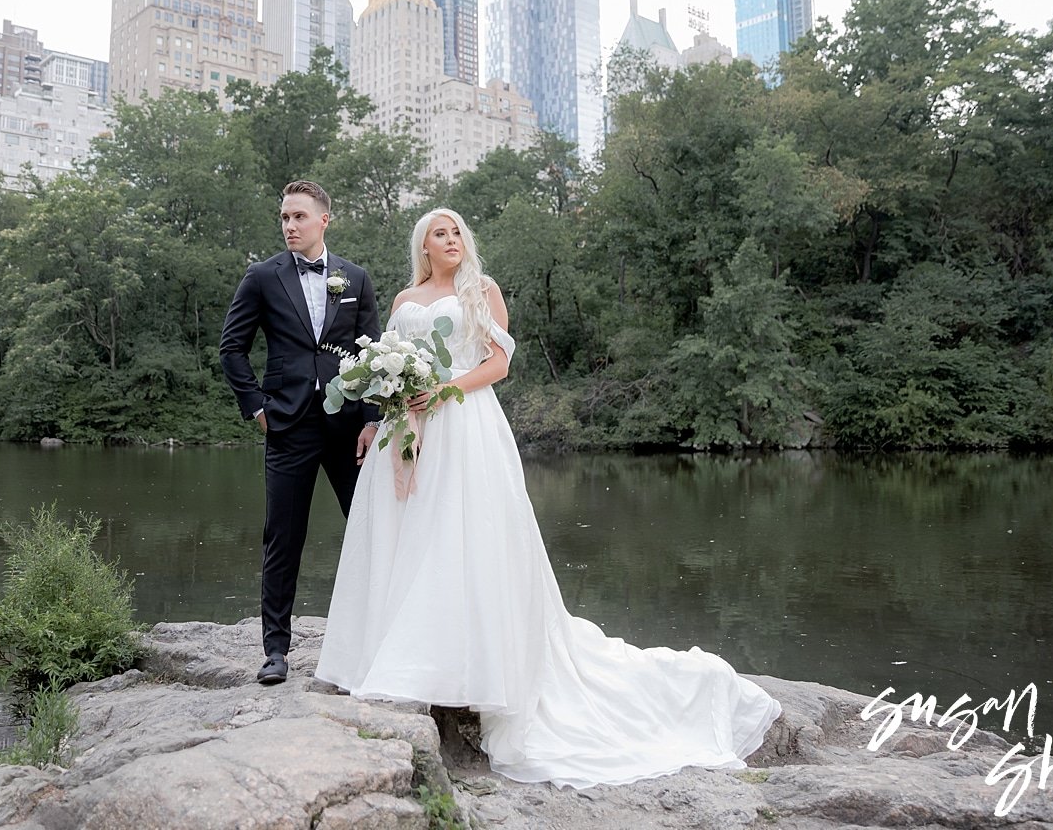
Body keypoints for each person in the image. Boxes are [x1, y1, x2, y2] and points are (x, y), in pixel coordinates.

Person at [315, 208, 782, 787]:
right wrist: (391, 399)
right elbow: (394, 362)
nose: (453, 240)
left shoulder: (480, 290)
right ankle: (388, 654)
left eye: (458, 231)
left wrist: (441, 390)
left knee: (461, 537)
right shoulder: (406, 299)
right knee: (403, 534)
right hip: (406, 429)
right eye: (441, 233)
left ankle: (465, 663)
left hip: (464, 423)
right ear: (424, 246)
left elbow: (499, 362)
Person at [220, 181, 381, 686]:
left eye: (298, 217)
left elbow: (375, 353)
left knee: (370, 533)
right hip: (287, 425)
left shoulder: (355, 277)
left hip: (349, 428)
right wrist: (257, 409)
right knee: (282, 539)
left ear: (323, 220)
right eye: (284, 218)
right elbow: (232, 349)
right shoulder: (262, 277)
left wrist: (375, 418)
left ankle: (374, 644)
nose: (289, 226)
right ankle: (275, 652)